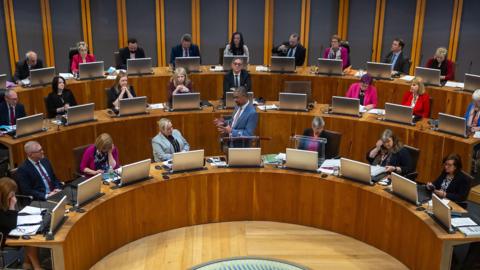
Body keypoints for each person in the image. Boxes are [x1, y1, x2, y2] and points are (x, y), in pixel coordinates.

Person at [0, 177, 43, 270]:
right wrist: (12, 205)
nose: (14, 196)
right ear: (4, 193)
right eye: (11, 194)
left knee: (33, 233)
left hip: (8, 229)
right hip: (2, 237)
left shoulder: (4, 201)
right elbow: (10, 224)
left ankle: (27, 263)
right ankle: (37, 267)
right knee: (29, 237)